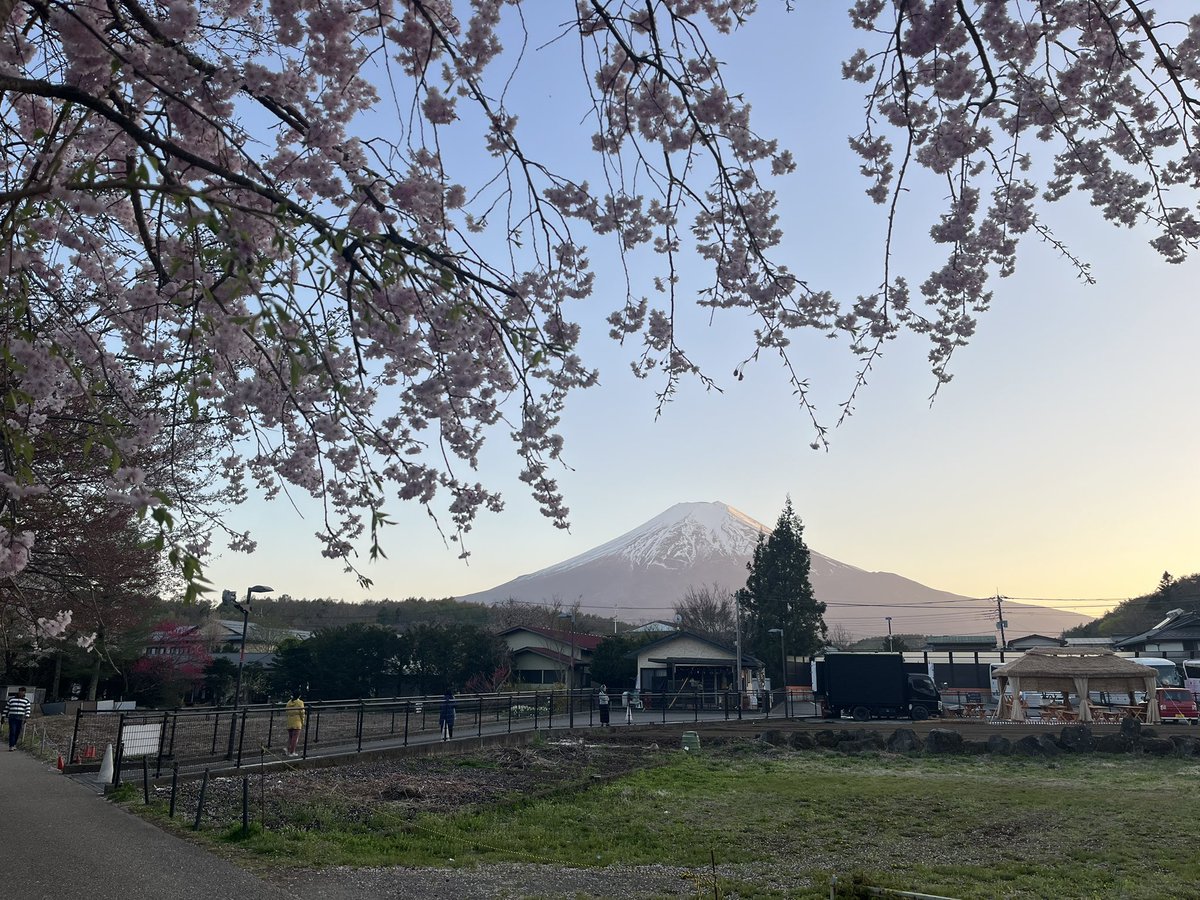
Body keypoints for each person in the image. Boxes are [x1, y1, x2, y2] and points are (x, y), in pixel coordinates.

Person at [285, 692, 306, 757]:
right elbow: (302, 713)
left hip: (289, 721)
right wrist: (303, 722)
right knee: (295, 738)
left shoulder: (288, 702)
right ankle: (292, 752)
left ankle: (288, 750)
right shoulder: (300, 703)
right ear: (299, 696)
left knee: (290, 737)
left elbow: (286, 711)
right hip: (297, 721)